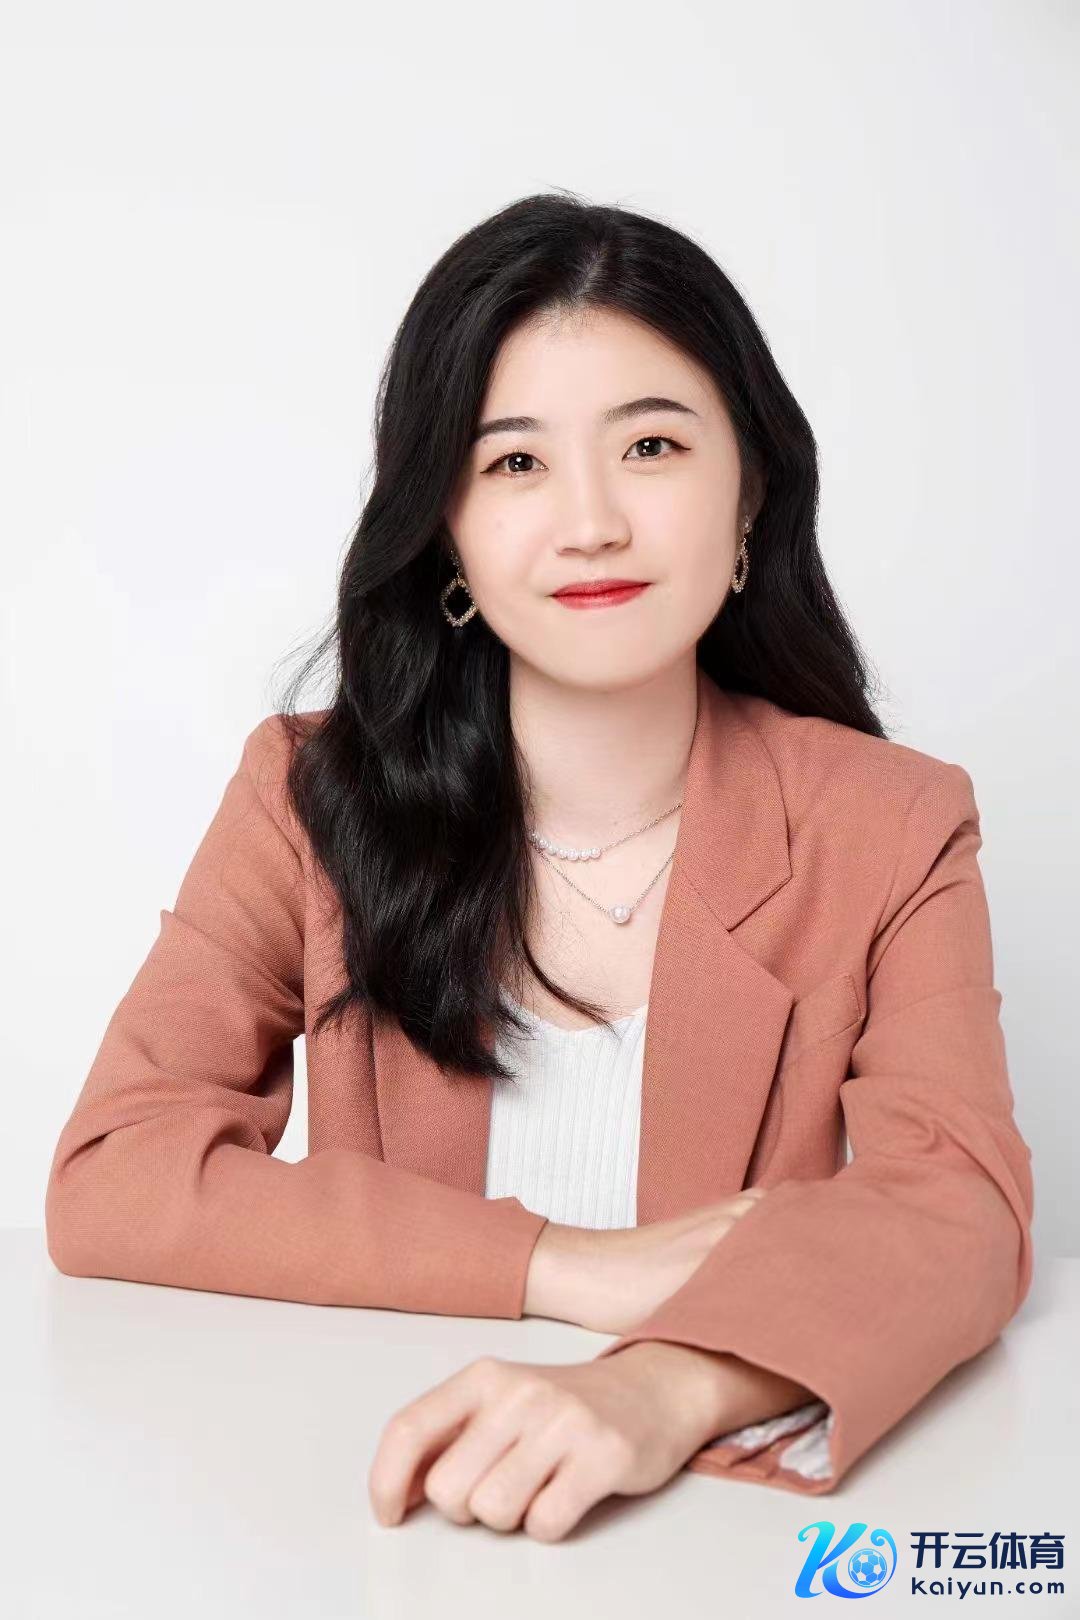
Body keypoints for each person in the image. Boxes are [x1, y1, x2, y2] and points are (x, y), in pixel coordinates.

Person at [44, 191, 1034, 1544]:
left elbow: (963, 1206)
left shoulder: (893, 823)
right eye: (515, 463)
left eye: (651, 445)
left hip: (716, 1544)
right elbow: (114, 1171)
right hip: (373, 1510)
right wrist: (567, 1268)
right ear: (444, 521)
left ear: (749, 490)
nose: (591, 523)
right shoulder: (305, 796)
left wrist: (664, 1388)